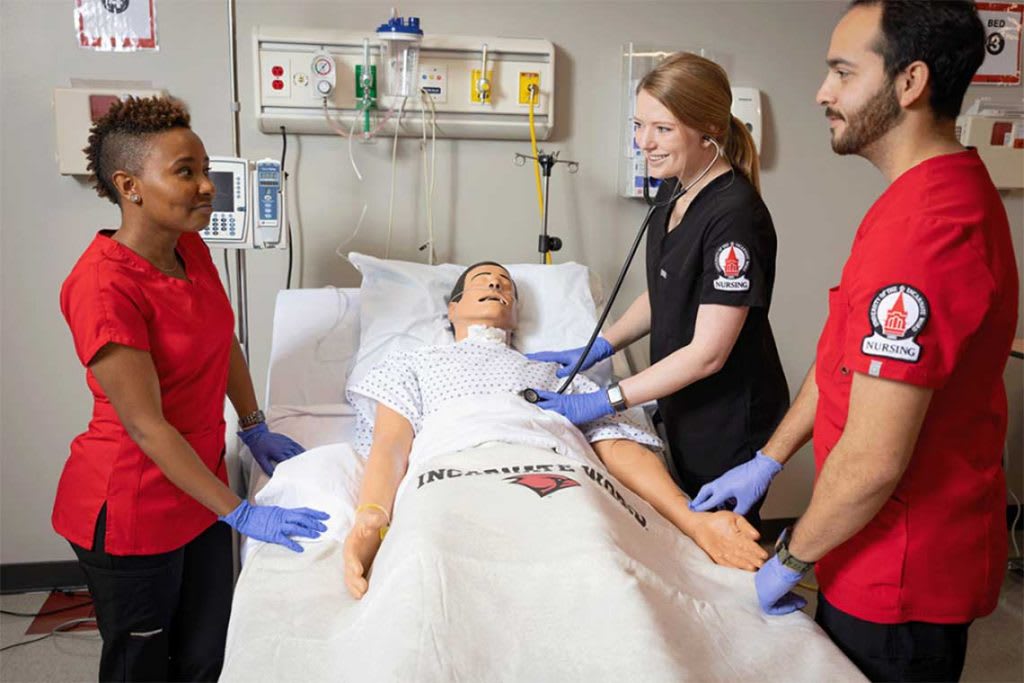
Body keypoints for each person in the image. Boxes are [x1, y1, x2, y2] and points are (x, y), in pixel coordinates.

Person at [692, 2, 1018, 680]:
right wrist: (770, 458)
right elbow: (845, 353)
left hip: (898, 576)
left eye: (843, 71)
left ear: (910, 82)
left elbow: (871, 461)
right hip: (865, 548)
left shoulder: (924, 231)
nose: (822, 93)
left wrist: (787, 560)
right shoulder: (918, 196)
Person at [54, 95, 329, 682]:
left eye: (206, 169)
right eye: (186, 172)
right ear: (130, 185)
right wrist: (242, 513)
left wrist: (253, 426)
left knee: (207, 654)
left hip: (198, 490)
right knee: (143, 666)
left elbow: (221, 340)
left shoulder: (190, 249)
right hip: (132, 505)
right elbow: (146, 426)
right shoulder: (103, 287)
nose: (208, 186)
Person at [341, 262, 768, 599]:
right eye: (482, 281)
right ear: (451, 309)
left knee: (598, 556)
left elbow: (617, 446)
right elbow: (391, 445)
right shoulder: (412, 364)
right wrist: (371, 521)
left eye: (506, 285)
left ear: (516, 314)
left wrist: (693, 521)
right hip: (453, 478)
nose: (497, 286)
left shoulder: (558, 374)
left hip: (559, 480)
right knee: (438, 567)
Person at [527, 53, 790, 528]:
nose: (643, 142)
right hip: (684, 404)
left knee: (721, 544)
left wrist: (603, 401)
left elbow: (708, 353)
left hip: (727, 419)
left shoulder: (734, 216)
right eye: (638, 124)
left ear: (708, 129)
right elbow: (668, 287)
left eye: (662, 129)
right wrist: (604, 344)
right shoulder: (674, 188)